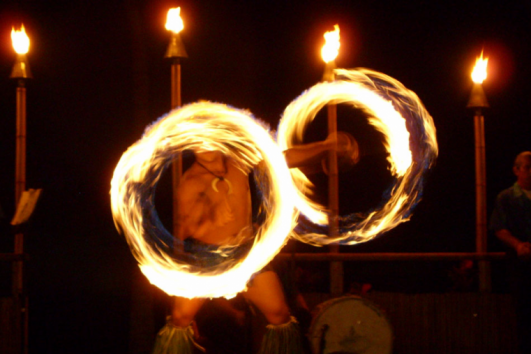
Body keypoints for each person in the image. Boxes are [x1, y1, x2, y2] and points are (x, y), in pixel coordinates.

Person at [151, 132, 357, 354]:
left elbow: (283, 158)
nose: (205, 144)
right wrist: (208, 217)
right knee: (181, 317)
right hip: (206, 259)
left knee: (280, 314)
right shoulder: (190, 181)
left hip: (245, 258)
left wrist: (325, 145)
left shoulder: (240, 162)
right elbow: (182, 232)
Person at [490, 151, 531, 353]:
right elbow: (499, 228)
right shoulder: (506, 197)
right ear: (516, 170)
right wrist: (518, 245)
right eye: (527, 167)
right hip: (521, 265)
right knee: (524, 315)